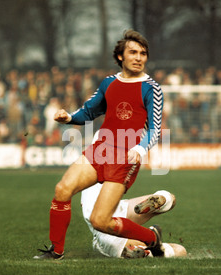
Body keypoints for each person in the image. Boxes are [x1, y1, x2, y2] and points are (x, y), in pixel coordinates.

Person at [34, 30, 164, 260]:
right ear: (120, 57)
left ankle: (151, 239)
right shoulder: (109, 83)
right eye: (133, 52)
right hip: (100, 150)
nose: (139, 57)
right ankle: (56, 251)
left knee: (100, 221)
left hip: (125, 156)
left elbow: (155, 128)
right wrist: (69, 118)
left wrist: (140, 149)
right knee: (62, 190)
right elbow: (89, 111)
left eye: (143, 53)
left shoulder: (151, 88)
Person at [80, 183, 186, 259]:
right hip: (119, 209)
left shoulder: (87, 169)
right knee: (171, 200)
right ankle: (166, 199)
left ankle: (140, 249)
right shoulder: (116, 164)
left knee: (179, 250)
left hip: (104, 227)